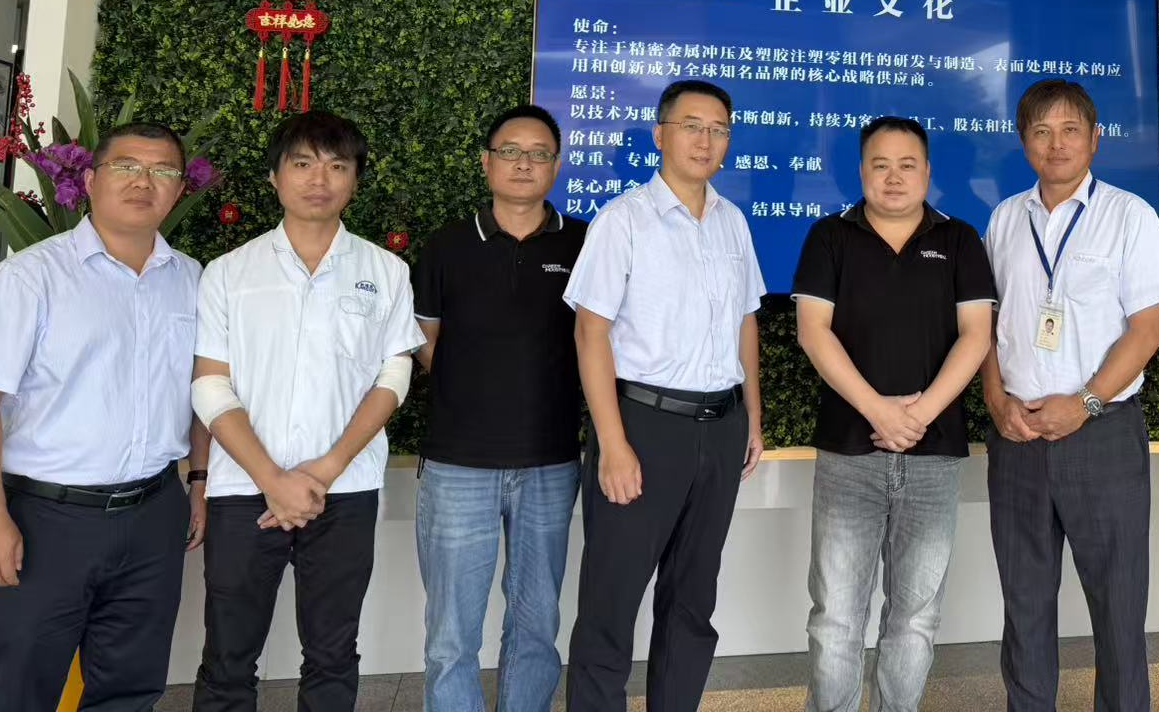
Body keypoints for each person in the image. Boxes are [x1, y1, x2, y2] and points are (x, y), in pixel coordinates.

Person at [0, 122, 210, 711]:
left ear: (178, 190)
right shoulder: (30, 277)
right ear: (89, 180)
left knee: (130, 687)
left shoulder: (192, 280)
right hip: (48, 518)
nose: (144, 182)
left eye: (163, 171)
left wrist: (197, 482)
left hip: (153, 515)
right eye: (126, 166)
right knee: (23, 689)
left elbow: (202, 390)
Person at [189, 110, 424, 712]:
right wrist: (273, 479)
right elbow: (210, 386)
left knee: (332, 652)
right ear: (274, 177)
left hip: (344, 490)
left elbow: (393, 376)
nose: (319, 179)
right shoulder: (228, 273)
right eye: (302, 164)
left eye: (337, 166)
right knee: (228, 655)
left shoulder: (386, 271)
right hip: (245, 491)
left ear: (354, 180)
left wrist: (323, 470)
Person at [982, 78, 1159, 712]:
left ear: (1095, 138)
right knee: (1024, 603)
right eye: (1041, 131)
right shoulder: (1004, 218)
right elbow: (986, 325)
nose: (1057, 144)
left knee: (1118, 604)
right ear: (1023, 141)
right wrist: (997, 403)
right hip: (1017, 437)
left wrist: (1086, 403)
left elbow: (1147, 330)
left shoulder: (1129, 216)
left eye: (1070, 130)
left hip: (1102, 433)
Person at [562, 79, 766, 712]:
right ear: (660, 134)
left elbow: (746, 321)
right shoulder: (622, 220)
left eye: (718, 129)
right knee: (612, 599)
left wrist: (753, 418)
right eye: (691, 126)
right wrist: (613, 444)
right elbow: (590, 332)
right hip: (644, 426)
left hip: (721, 425)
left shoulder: (732, 221)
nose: (705, 140)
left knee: (692, 598)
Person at [792, 116, 996, 712]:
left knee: (915, 615)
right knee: (836, 615)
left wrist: (919, 414)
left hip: (934, 456)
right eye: (880, 165)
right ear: (861, 172)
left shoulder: (959, 239)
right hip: (849, 452)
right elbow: (813, 331)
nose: (894, 177)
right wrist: (879, 410)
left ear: (927, 172)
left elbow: (976, 335)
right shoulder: (829, 237)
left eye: (907, 165)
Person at [413, 104, 588, 712]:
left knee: (537, 625)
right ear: (486, 162)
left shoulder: (584, 243)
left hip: (550, 461)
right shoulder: (447, 245)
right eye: (510, 151)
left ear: (556, 166)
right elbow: (426, 341)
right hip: (458, 463)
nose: (523, 164)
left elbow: (601, 341)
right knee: (450, 636)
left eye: (539, 154)